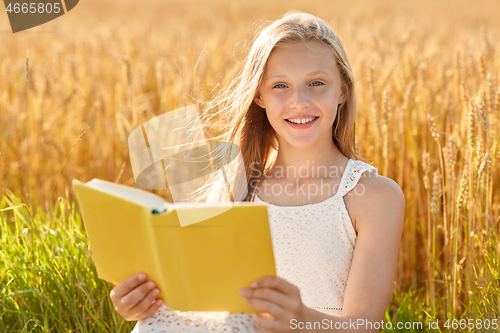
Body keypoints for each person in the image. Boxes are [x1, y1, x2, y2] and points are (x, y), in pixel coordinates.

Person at [111, 11, 405, 333]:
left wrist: (299, 318)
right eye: (280, 85)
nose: (300, 101)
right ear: (259, 96)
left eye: (316, 83)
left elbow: (363, 327)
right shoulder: (235, 189)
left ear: (343, 90)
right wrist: (147, 304)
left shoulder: (374, 197)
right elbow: (207, 304)